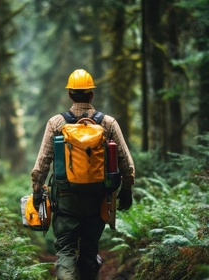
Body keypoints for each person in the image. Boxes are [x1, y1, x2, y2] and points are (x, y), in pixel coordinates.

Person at [31, 68, 135, 279]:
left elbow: (42, 163)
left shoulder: (56, 123)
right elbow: (126, 163)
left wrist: (36, 191)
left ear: (70, 94)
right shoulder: (108, 123)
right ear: (91, 94)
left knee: (66, 251)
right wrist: (126, 189)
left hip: (65, 200)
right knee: (89, 251)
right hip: (97, 200)